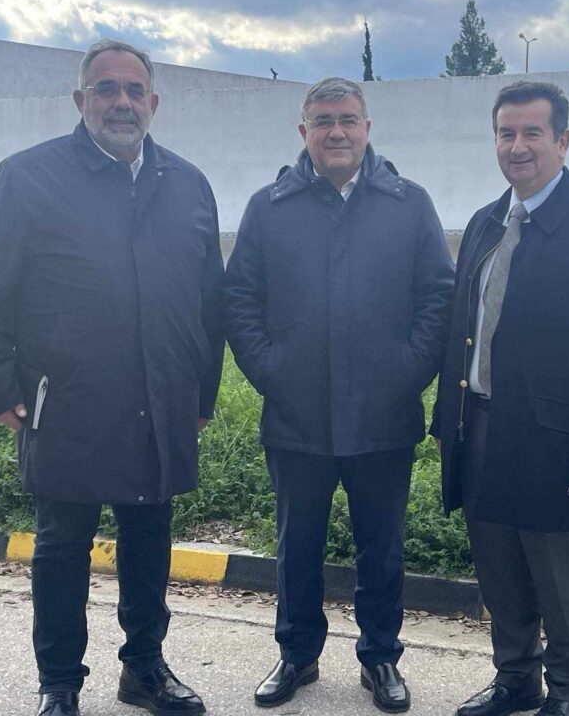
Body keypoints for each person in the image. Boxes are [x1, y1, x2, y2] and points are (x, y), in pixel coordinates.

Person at [0, 39, 224, 716]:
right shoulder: (27, 177)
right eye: (106, 88)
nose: (121, 102)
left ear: (154, 102)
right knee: (62, 547)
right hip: (67, 400)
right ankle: (59, 685)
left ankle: (144, 670)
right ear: (81, 100)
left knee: (148, 541)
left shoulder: (188, 184)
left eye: (134, 90)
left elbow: (208, 301)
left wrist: (201, 391)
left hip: (160, 397)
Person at [222, 76, 453, 713]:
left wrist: (406, 372)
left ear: (367, 128)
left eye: (348, 119)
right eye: (323, 121)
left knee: (382, 546)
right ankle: (297, 654)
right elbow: (239, 299)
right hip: (296, 416)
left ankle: (380, 657)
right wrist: (273, 372)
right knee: (296, 545)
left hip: (384, 415)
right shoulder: (270, 207)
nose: (337, 132)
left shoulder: (409, 203)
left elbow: (438, 297)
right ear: (304, 132)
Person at [431, 81, 569, 716]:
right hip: (479, 427)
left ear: (562, 140)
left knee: (561, 579)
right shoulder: (485, 223)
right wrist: (448, 422)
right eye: (506, 133)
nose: (517, 146)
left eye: (532, 133)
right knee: (499, 569)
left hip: (554, 440)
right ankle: (515, 679)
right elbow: (461, 329)